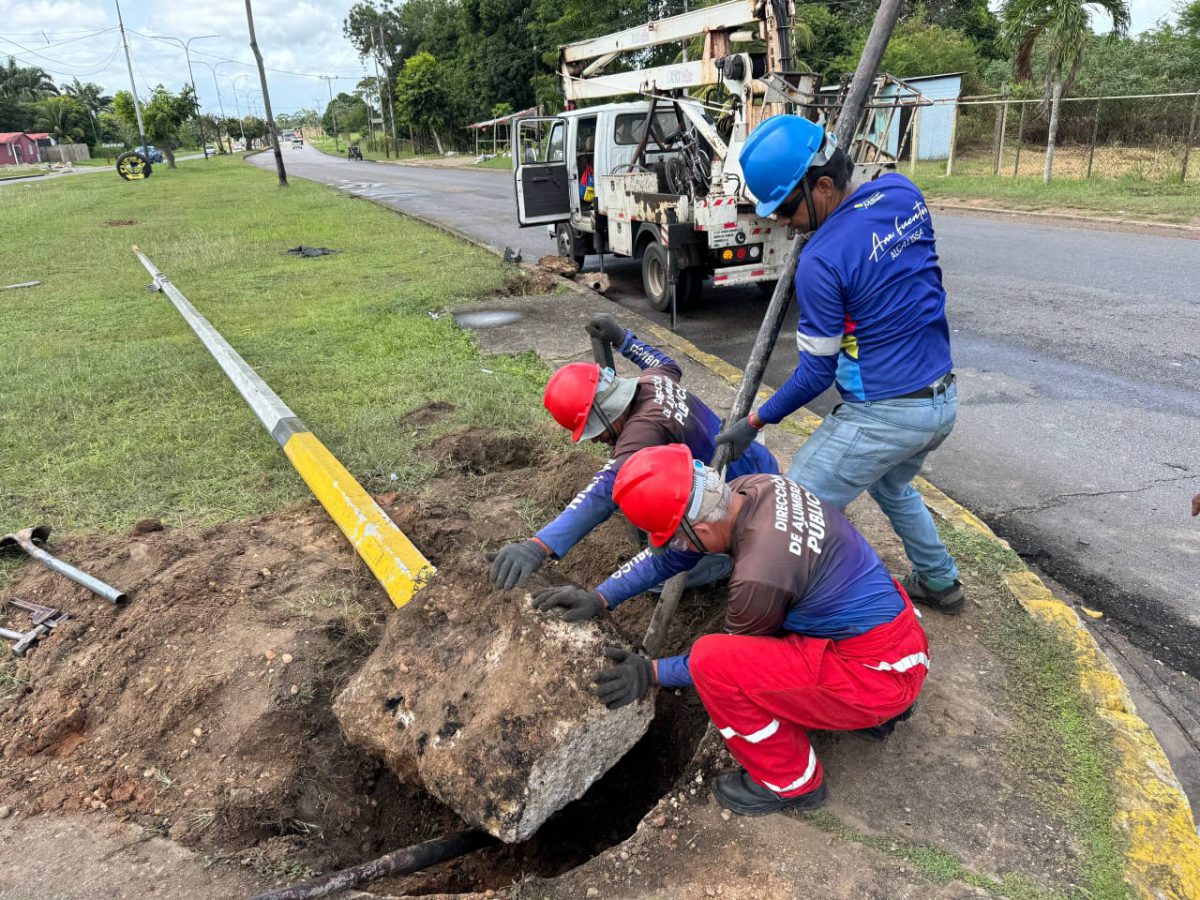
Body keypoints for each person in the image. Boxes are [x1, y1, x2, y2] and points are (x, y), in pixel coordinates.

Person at [580, 444, 929, 816]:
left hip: (877, 677)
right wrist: (601, 597)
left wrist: (652, 672)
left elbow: (723, 664)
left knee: (711, 661)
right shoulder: (753, 488)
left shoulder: (759, 577)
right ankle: (876, 714)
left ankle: (791, 782)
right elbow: (677, 555)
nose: (678, 547)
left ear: (700, 528)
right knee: (774, 629)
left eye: (678, 537)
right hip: (899, 642)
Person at [716, 115, 963, 615]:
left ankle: (797, 613)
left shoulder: (821, 260)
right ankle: (939, 580)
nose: (782, 222)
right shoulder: (902, 193)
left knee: (790, 509)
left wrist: (755, 421)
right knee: (892, 485)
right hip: (942, 399)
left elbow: (816, 374)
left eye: (785, 208)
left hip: (886, 413)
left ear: (823, 186)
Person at [489, 314, 778, 615]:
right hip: (754, 462)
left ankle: (723, 560)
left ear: (606, 413)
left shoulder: (642, 433)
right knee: (648, 501)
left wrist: (538, 545)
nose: (594, 440)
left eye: (593, 430)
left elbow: (603, 493)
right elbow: (665, 361)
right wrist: (623, 339)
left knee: (660, 576)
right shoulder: (654, 380)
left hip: (735, 500)